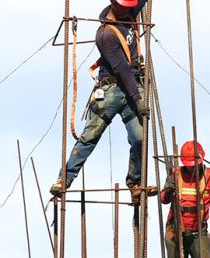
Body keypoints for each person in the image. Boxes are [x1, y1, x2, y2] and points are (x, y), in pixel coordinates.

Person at [50, 0, 155, 204]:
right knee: (89, 137)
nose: (128, 9)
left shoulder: (129, 12)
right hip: (112, 90)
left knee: (139, 139)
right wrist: (138, 99)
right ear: (114, 4)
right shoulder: (105, 34)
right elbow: (122, 70)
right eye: (124, 6)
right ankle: (64, 179)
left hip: (133, 86)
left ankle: (135, 183)